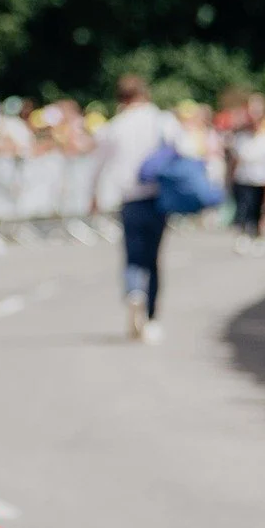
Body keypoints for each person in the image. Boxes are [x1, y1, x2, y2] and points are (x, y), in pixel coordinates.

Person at [90, 74, 179, 342]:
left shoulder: (115, 126)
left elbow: (97, 164)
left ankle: (134, 292)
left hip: (130, 199)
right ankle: (151, 317)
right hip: (158, 197)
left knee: (133, 255)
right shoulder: (162, 120)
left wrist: (93, 196)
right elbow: (182, 149)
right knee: (153, 258)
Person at [229, 94, 265, 254]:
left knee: (259, 210)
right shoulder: (240, 137)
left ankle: (258, 236)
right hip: (243, 180)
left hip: (262, 180)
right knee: (244, 209)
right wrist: (229, 180)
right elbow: (234, 161)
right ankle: (243, 236)